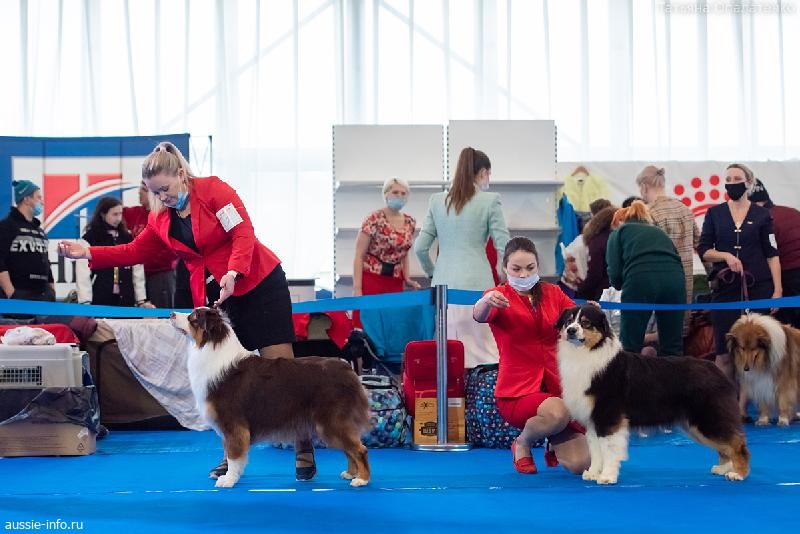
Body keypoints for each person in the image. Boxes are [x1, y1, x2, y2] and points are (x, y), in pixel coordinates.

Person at [57, 141, 316, 482]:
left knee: (280, 369)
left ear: (181, 174)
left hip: (257, 282)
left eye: (165, 189)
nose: (161, 198)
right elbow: (134, 251)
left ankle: (303, 445)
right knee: (228, 380)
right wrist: (88, 252)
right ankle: (232, 452)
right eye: (154, 193)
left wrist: (233, 271)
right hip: (217, 295)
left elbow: (243, 233)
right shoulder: (161, 219)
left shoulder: (215, 191)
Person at [473, 237, 589, 475]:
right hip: (517, 392)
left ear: (538, 266)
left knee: (582, 465)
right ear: (505, 268)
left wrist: (591, 312)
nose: (524, 274)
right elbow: (479, 315)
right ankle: (522, 443)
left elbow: (575, 317)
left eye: (530, 267)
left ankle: (551, 438)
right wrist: (485, 301)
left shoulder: (553, 292)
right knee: (558, 412)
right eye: (516, 269)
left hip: (557, 386)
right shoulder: (497, 295)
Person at [415, 147, 510, 368]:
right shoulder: (490, 201)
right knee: (485, 354)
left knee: (448, 356)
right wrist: (503, 274)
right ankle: (482, 391)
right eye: (489, 174)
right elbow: (504, 245)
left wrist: (432, 273)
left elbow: (420, 247)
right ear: (483, 172)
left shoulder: (437, 201)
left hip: (443, 289)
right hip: (478, 286)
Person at [697, 164, 781, 386]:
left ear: (748, 182)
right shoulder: (714, 213)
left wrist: (777, 291)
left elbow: (772, 254)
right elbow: (704, 249)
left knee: (757, 352)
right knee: (724, 353)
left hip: (758, 288)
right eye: (728, 179)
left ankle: (749, 403)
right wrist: (725, 256)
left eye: (737, 178)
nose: (732, 183)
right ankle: (718, 400)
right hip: (725, 290)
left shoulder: (763, 215)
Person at [606, 201, 686, 356]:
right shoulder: (659, 232)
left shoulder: (618, 233)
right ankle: (674, 371)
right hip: (675, 280)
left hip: (640, 279)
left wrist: (619, 285)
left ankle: (629, 372)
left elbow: (614, 271)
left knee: (630, 345)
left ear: (620, 222)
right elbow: (676, 259)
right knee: (672, 345)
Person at [636, 165, 700, 333]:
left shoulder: (648, 213)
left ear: (644, 187)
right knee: (678, 336)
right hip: (684, 284)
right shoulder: (684, 209)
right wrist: (713, 279)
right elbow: (700, 245)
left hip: (657, 286)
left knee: (656, 338)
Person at [352, 178, 420, 301]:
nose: (399, 196)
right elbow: (359, 255)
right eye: (395, 192)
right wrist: (357, 288)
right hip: (372, 278)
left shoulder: (410, 222)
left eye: (403, 193)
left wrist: (407, 277)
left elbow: (404, 254)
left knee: (394, 313)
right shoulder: (373, 219)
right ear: (386, 194)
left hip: (395, 281)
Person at [749, 179, 800, 328]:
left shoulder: (762, 220)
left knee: (790, 327)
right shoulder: (793, 212)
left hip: (787, 276)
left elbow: (762, 257)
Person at [123, 181, 178, 308]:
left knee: (160, 313)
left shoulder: (165, 215)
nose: (139, 192)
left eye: (143, 189)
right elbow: (111, 210)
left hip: (160, 275)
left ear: (154, 193)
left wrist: (142, 258)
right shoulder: (134, 213)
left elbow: (172, 251)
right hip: (139, 276)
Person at [0, 179, 55, 302]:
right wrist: (11, 292)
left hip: (43, 296)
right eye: (38, 197)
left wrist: (51, 290)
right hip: (18, 296)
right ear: (26, 199)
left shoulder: (40, 231)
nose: (42, 202)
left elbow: (46, 263)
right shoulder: (6, 226)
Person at [575, 200, 616, 301]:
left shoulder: (597, 241)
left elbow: (595, 274)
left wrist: (580, 291)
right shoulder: (620, 239)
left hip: (602, 295)